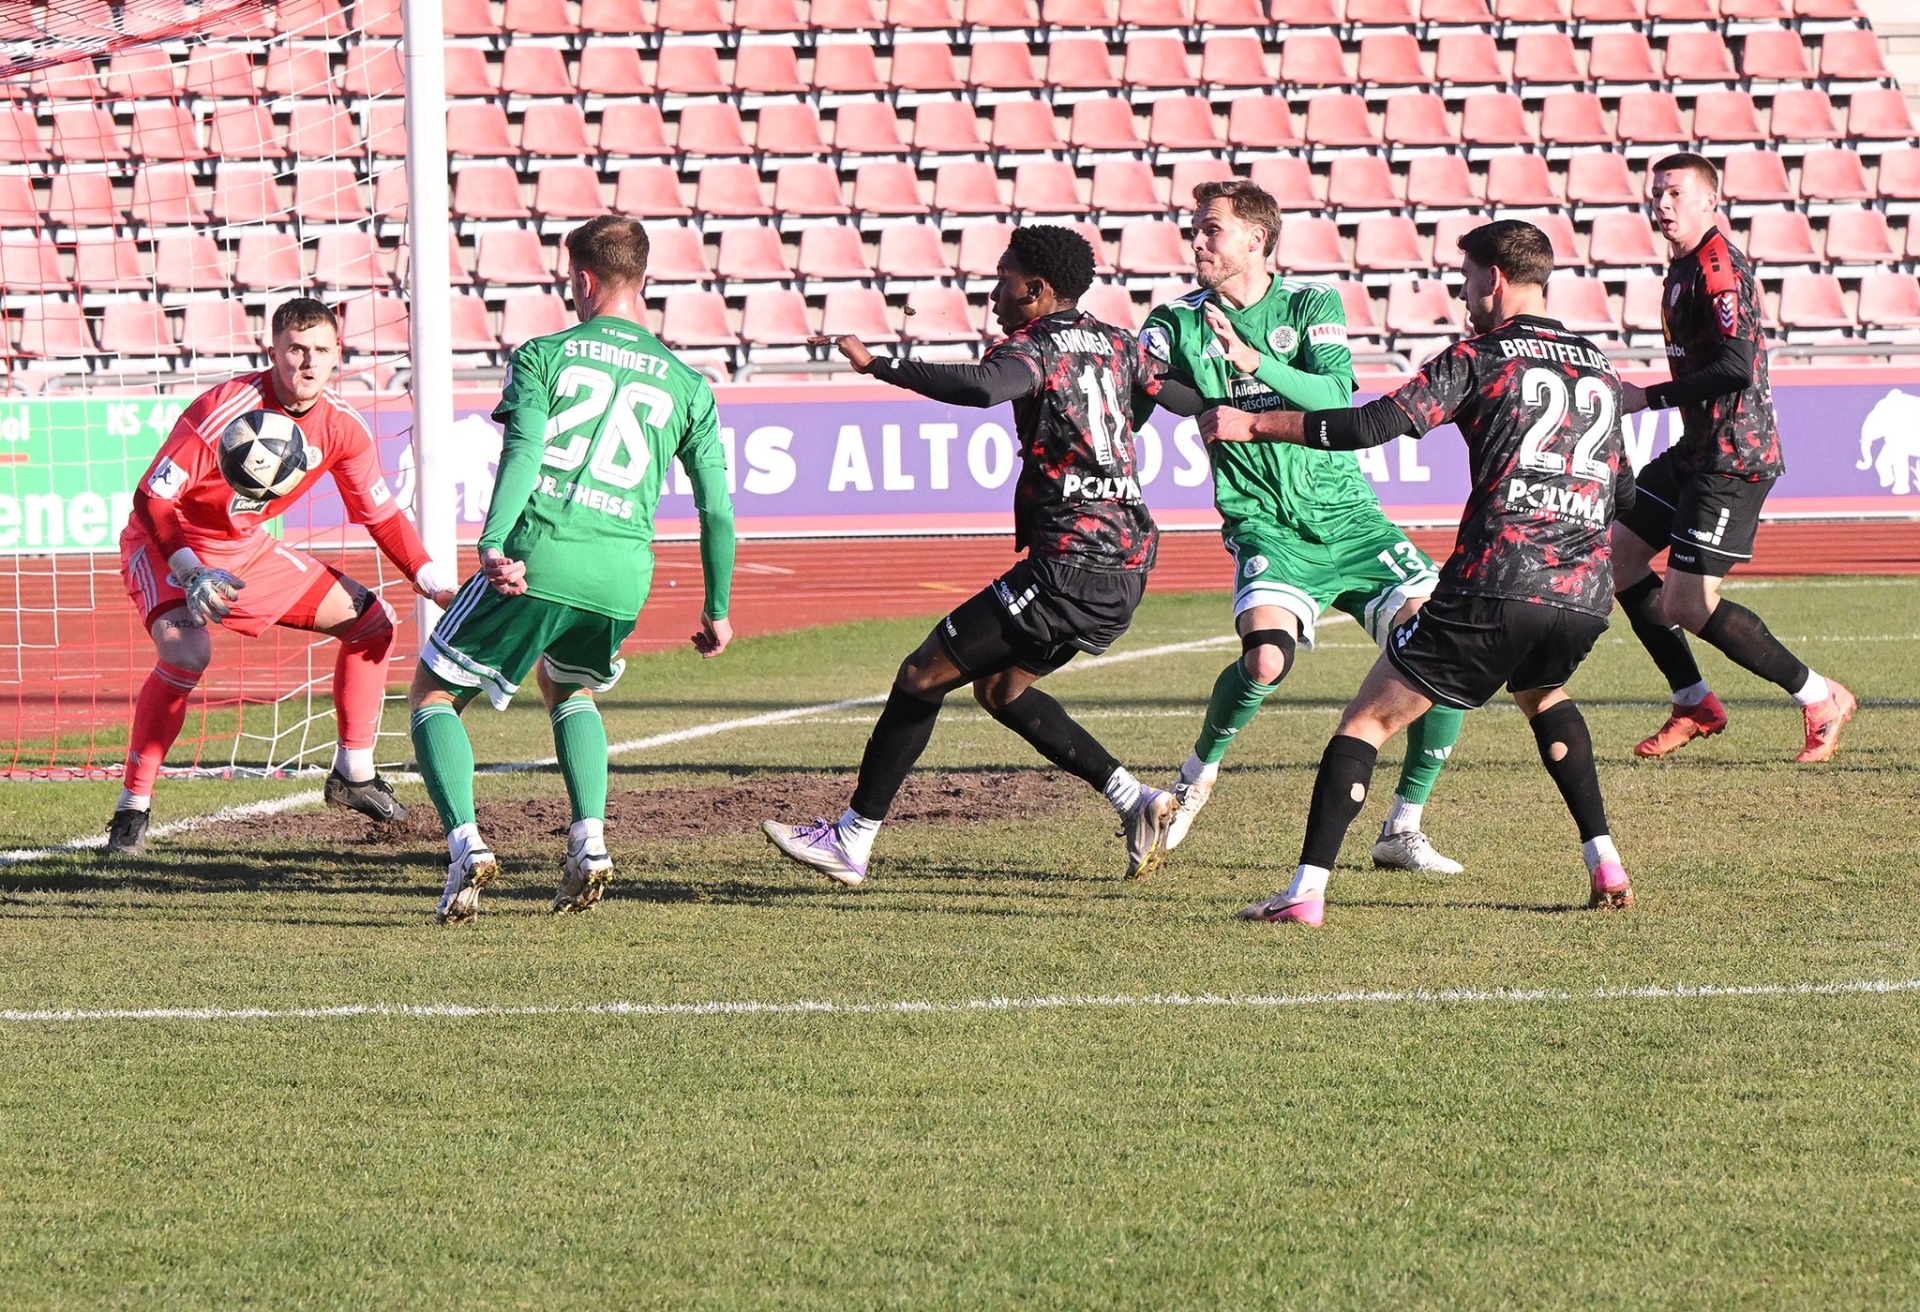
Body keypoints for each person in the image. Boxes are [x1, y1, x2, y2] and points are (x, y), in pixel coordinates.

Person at [1203, 220, 1635, 927]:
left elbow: (1373, 424)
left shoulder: (1478, 354)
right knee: (1543, 696)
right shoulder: (1598, 364)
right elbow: (1623, 493)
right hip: (1583, 596)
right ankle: (1605, 860)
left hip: (1495, 583)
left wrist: (1257, 426)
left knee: (1366, 721)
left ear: (1494, 279)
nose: (1463, 295)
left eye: (1466, 279)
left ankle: (1305, 893)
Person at [762, 225, 1195, 886]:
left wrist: (880, 365)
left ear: (1036, 289)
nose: (994, 293)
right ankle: (1135, 801)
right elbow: (1183, 399)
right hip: (1129, 562)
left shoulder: (1038, 347)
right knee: (1002, 689)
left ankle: (851, 839)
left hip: (1067, 567)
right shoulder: (1117, 344)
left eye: (1003, 280)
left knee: (921, 675)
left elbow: (985, 388)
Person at [410, 216, 736, 925]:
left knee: (433, 694)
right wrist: (717, 605)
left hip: (542, 553)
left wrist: (493, 542)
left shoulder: (543, 355)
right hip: (622, 574)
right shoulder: (688, 384)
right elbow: (716, 509)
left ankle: (465, 843)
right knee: (570, 686)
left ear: (584, 280)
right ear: (642, 278)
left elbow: (524, 451)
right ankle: (588, 840)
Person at [1138, 179, 1466, 875]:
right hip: (1267, 524)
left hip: (1350, 517)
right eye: (1194, 230)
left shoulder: (1310, 304)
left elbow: (1335, 396)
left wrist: (1253, 364)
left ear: (1255, 240)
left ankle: (1402, 826)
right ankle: (1195, 779)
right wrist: (1192, 402)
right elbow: (1142, 379)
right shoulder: (1174, 320)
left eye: (1209, 230)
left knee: (1444, 649)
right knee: (1264, 660)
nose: (1195, 241)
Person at [106, 297, 455, 857]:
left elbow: (382, 513)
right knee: (186, 653)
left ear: (338, 354)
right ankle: (132, 808)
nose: (308, 363)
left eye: (321, 350)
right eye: (296, 349)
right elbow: (152, 498)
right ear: (273, 351)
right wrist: (189, 569)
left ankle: (354, 774)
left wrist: (432, 579)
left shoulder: (341, 426)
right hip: (169, 548)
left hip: (245, 550)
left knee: (372, 623)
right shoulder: (225, 409)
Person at [1613, 152, 1854, 762]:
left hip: (1733, 457)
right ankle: (1694, 702)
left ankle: (1819, 696)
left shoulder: (1718, 269)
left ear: (1708, 202)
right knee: (1618, 560)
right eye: (1656, 194)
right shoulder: (1682, 266)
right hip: (1696, 449)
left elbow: (1733, 366)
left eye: (1675, 194)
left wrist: (1648, 397)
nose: (1662, 205)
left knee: (1687, 603)